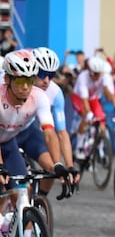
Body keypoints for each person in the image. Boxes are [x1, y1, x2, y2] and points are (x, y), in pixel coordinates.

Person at [0, 50, 68, 237]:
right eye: (20, 81)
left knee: (23, 195)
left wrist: (58, 165)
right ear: (7, 79)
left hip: (8, 142)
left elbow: (49, 133)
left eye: (30, 80)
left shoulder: (38, 97)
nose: (26, 87)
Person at [30, 47, 78, 192]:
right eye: (42, 74)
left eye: (50, 75)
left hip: (37, 135)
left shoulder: (55, 93)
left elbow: (62, 133)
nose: (46, 80)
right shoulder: (21, 86)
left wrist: (69, 167)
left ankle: (38, 203)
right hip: (13, 132)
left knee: (53, 168)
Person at [71, 56, 115, 160]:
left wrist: (106, 88)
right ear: (90, 71)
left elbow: (110, 96)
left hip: (93, 98)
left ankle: (99, 146)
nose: (97, 76)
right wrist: (89, 113)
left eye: (99, 73)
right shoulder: (83, 77)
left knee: (101, 120)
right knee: (86, 117)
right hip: (78, 98)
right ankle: (79, 147)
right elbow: (84, 100)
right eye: (95, 74)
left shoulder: (104, 76)